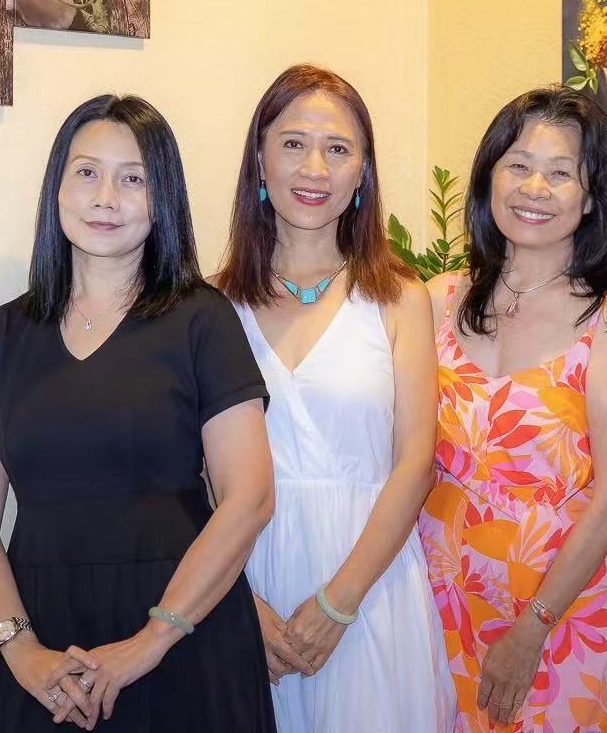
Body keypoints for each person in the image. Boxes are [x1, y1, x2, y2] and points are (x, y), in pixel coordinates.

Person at [0, 95, 276, 732]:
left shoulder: (202, 320)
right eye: (87, 172)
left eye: (133, 179)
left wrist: (151, 640)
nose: (106, 198)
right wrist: (21, 651)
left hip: (185, 637)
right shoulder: (0, 337)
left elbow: (250, 497)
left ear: (163, 199)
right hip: (43, 649)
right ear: (58, 185)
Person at [216, 64, 455, 732]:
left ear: (362, 174)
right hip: (245, 579)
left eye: (338, 148)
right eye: (293, 143)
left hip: (369, 584)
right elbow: (196, 476)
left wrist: (338, 603)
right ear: (259, 160)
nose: (314, 167)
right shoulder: (212, 306)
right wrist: (238, 603)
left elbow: (415, 462)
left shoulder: (399, 298)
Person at [419, 86, 607, 731]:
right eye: (518, 165)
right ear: (488, 177)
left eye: (560, 173)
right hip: (437, 601)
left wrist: (531, 630)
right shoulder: (437, 299)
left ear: (591, 197)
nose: (534, 188)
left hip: (556, 615)